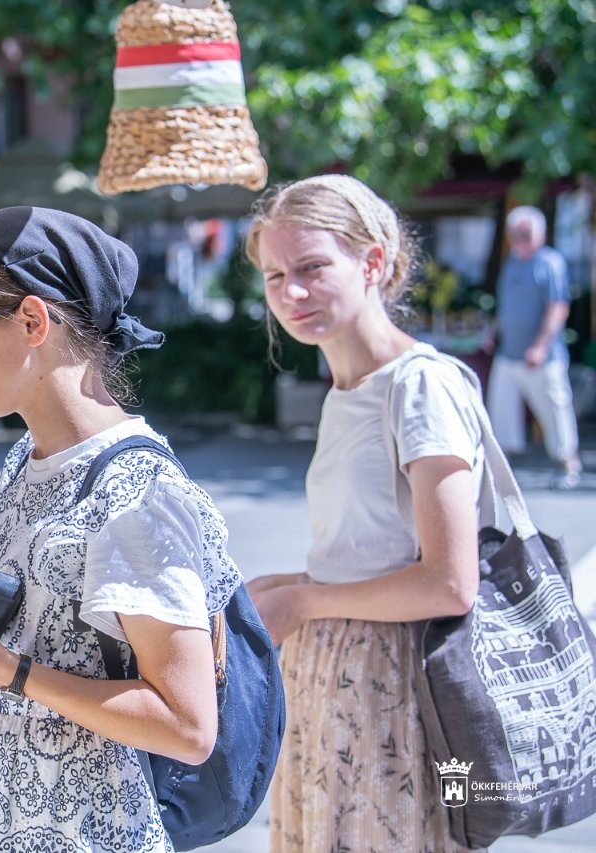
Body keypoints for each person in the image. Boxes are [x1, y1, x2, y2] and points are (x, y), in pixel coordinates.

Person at [0, 206, 242, 852]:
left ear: (33, 320)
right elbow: (50, 663)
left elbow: (187, 724)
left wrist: (1, 667)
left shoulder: (140, 494)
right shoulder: (23, 464)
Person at [244, 175, 486, 852]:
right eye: (275, 275)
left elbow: (450, 581)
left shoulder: (420, 385)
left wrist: (304, 600)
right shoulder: (346, 389)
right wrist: (287, 585)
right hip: (335, 681)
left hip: (402, 690)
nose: (292, 292)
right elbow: (374, 551)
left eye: (314, 267)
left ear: (373, 261)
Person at [486, 205, 583, 490]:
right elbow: (508, 307)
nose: (520, 239)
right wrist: (494, 330)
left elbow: (557, 308)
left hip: (543, 357)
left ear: (539, 234)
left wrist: (540, 346)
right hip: (509, 354)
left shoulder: (549, 262)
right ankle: (502, 470)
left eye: (526, 233)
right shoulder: (512, 262)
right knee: (500, 414)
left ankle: (568, 464)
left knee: (554, 412)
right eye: (515, 233)